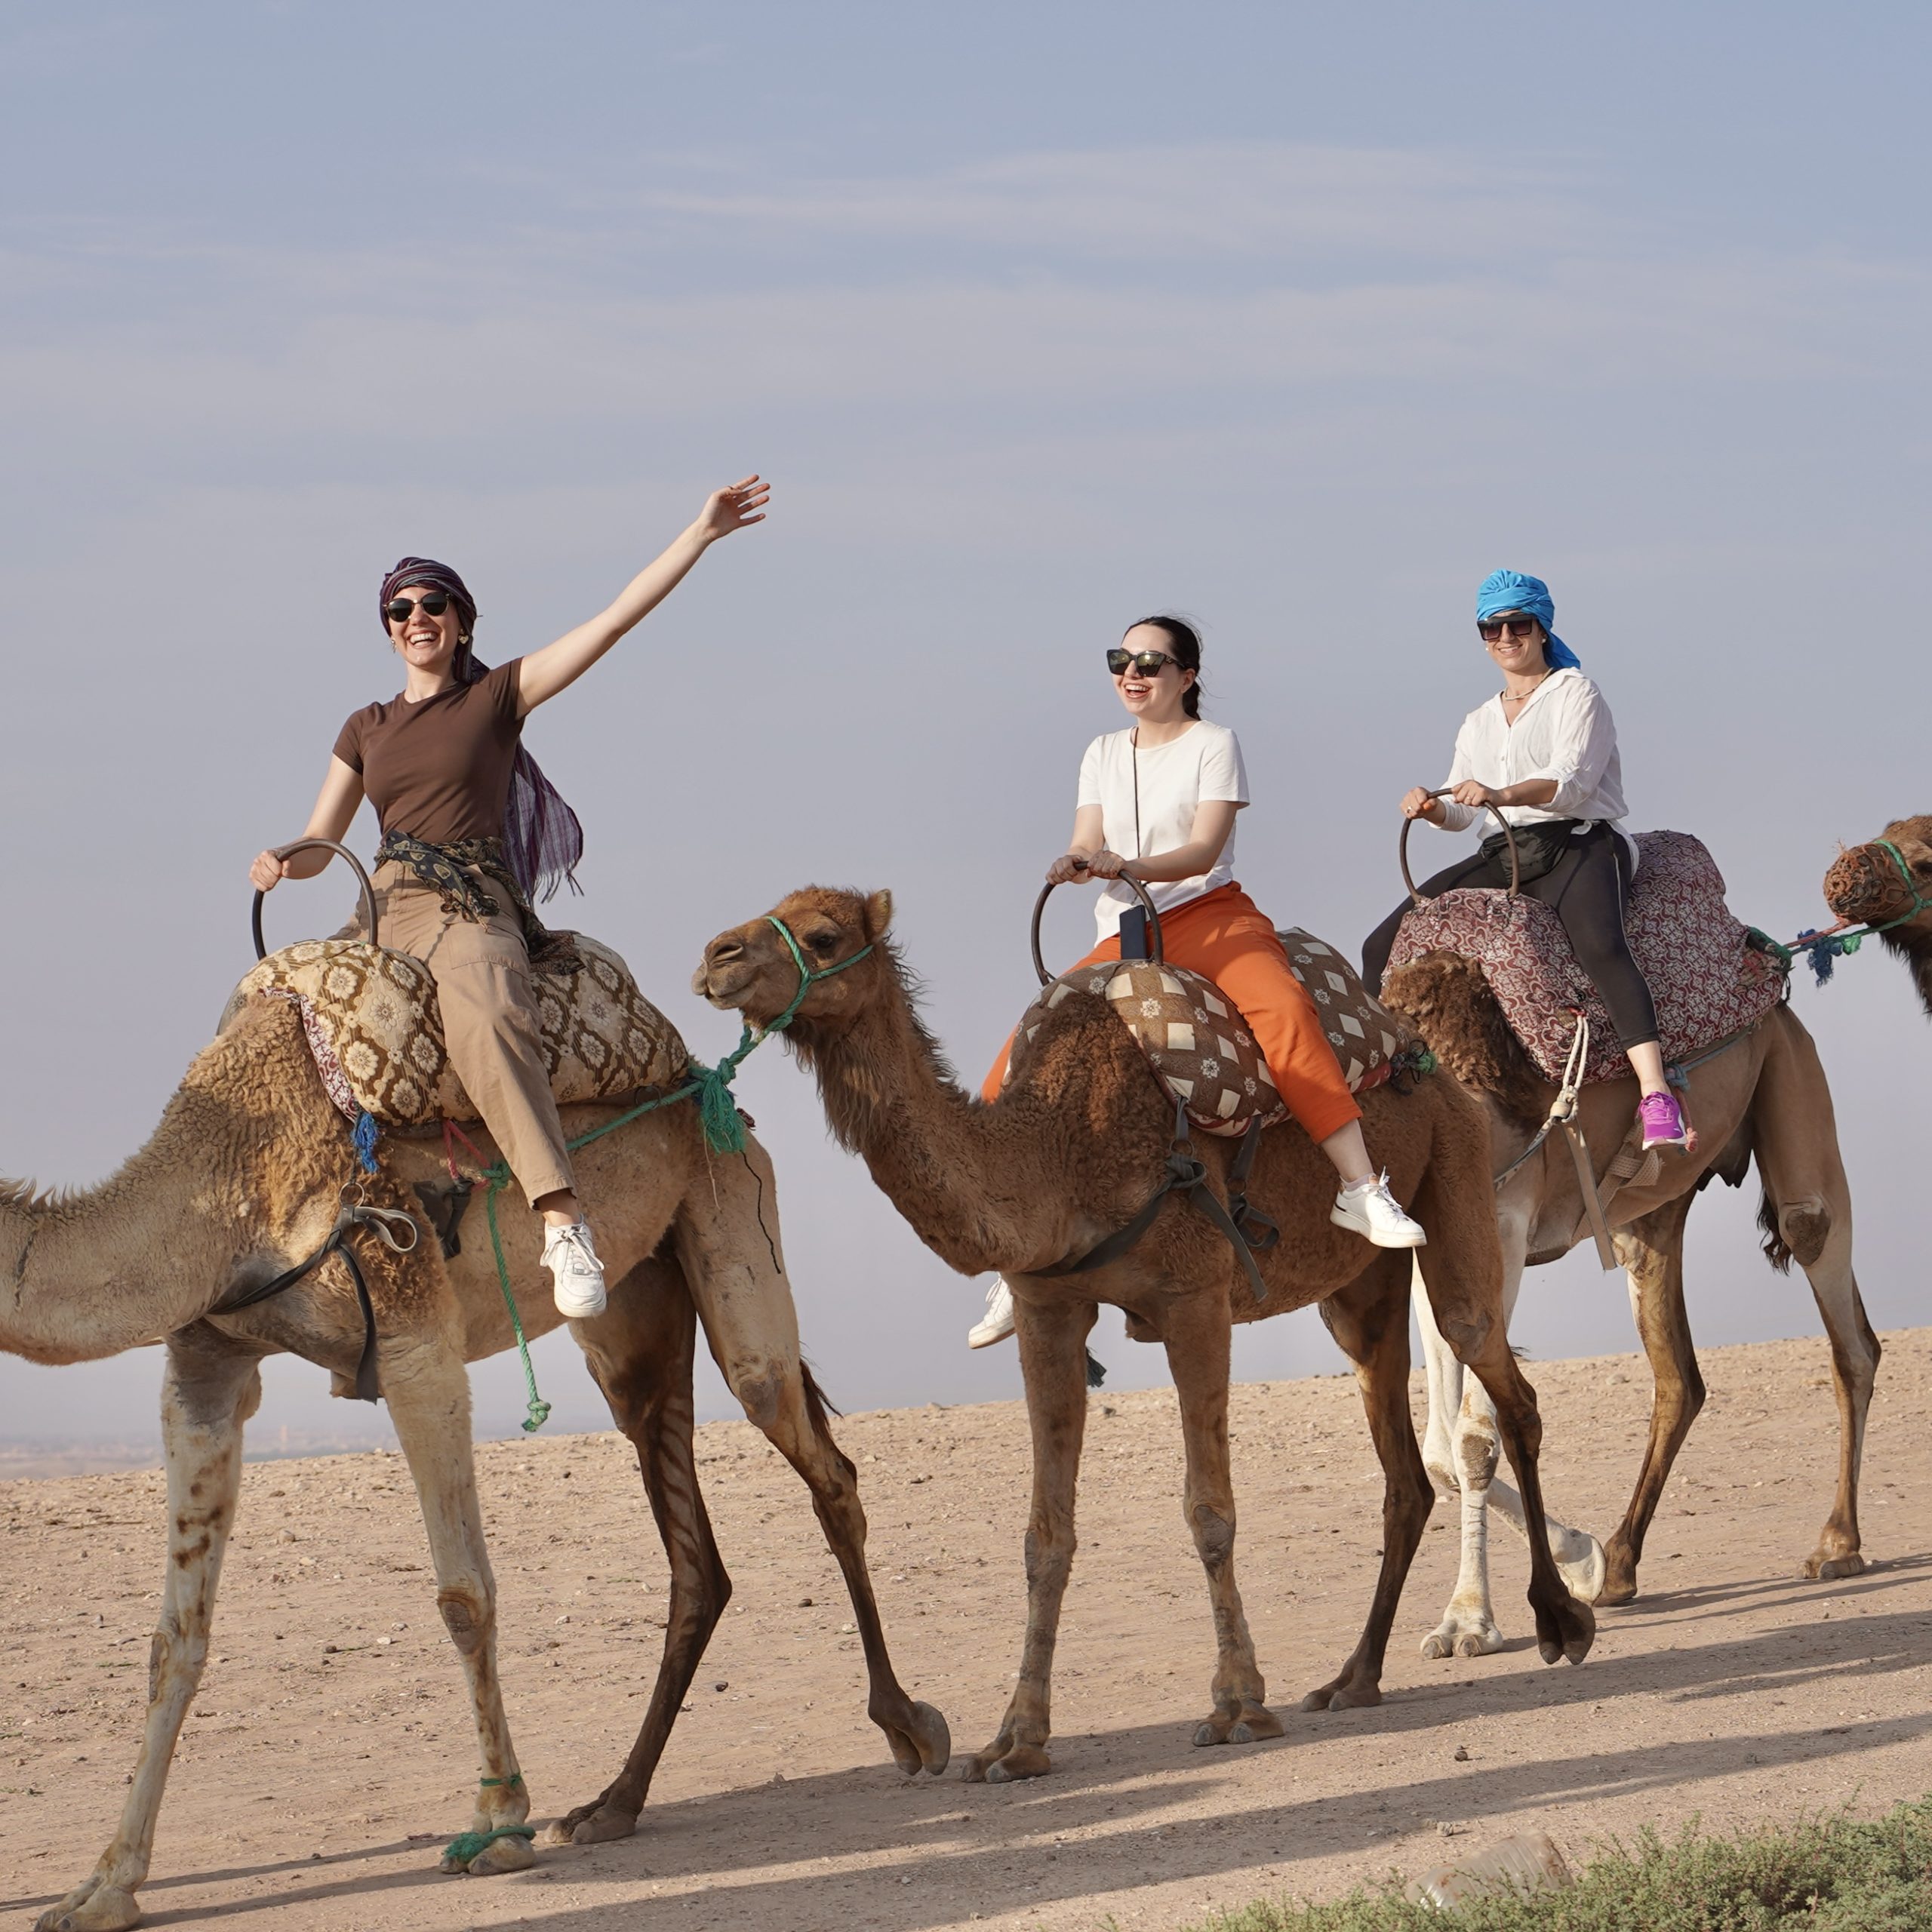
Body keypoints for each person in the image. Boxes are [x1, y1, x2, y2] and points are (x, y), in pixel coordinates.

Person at [251, 476, 769, 1319]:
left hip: (467, 899)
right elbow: (321, 841)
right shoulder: (364, 726)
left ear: (461, 621)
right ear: (388, 629)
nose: (417, 618)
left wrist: (699, 534)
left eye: (434, 604)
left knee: (490, 1012)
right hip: (380, 904)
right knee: (267, 1005)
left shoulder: (493, 699)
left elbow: (611, 622)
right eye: (400, 610)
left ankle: (562, 1222)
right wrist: (282, 858)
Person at [967, 615, 1425, 1349]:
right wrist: (1077, 861)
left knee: (1283, 1012)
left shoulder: (1215, 744)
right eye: (1121, 659)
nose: (1132, 672)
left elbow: (1204, 850)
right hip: (1124, 930)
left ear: (1186, 676)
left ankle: (1358, 1187)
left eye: (1150, 662)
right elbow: (1087, 835)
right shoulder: (1101, 752)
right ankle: (1014, 1256)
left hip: (1209, 916)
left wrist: (1130, 865)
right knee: (1019, 1058)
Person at [1359, 568, 1686, 1149]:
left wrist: (1501, 793)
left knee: (1601, 947)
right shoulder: (1479, 720)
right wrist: (1430, 807)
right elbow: (1461, 813)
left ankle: (1656, 1093)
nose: (1506, 637)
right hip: (1505, 850)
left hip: (1578, 841)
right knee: (1381, 943)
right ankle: (1372, 1079)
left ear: (1542, 628)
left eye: (1518, 624)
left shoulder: (1576, 694)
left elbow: (1573, 781)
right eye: (1492, 628)